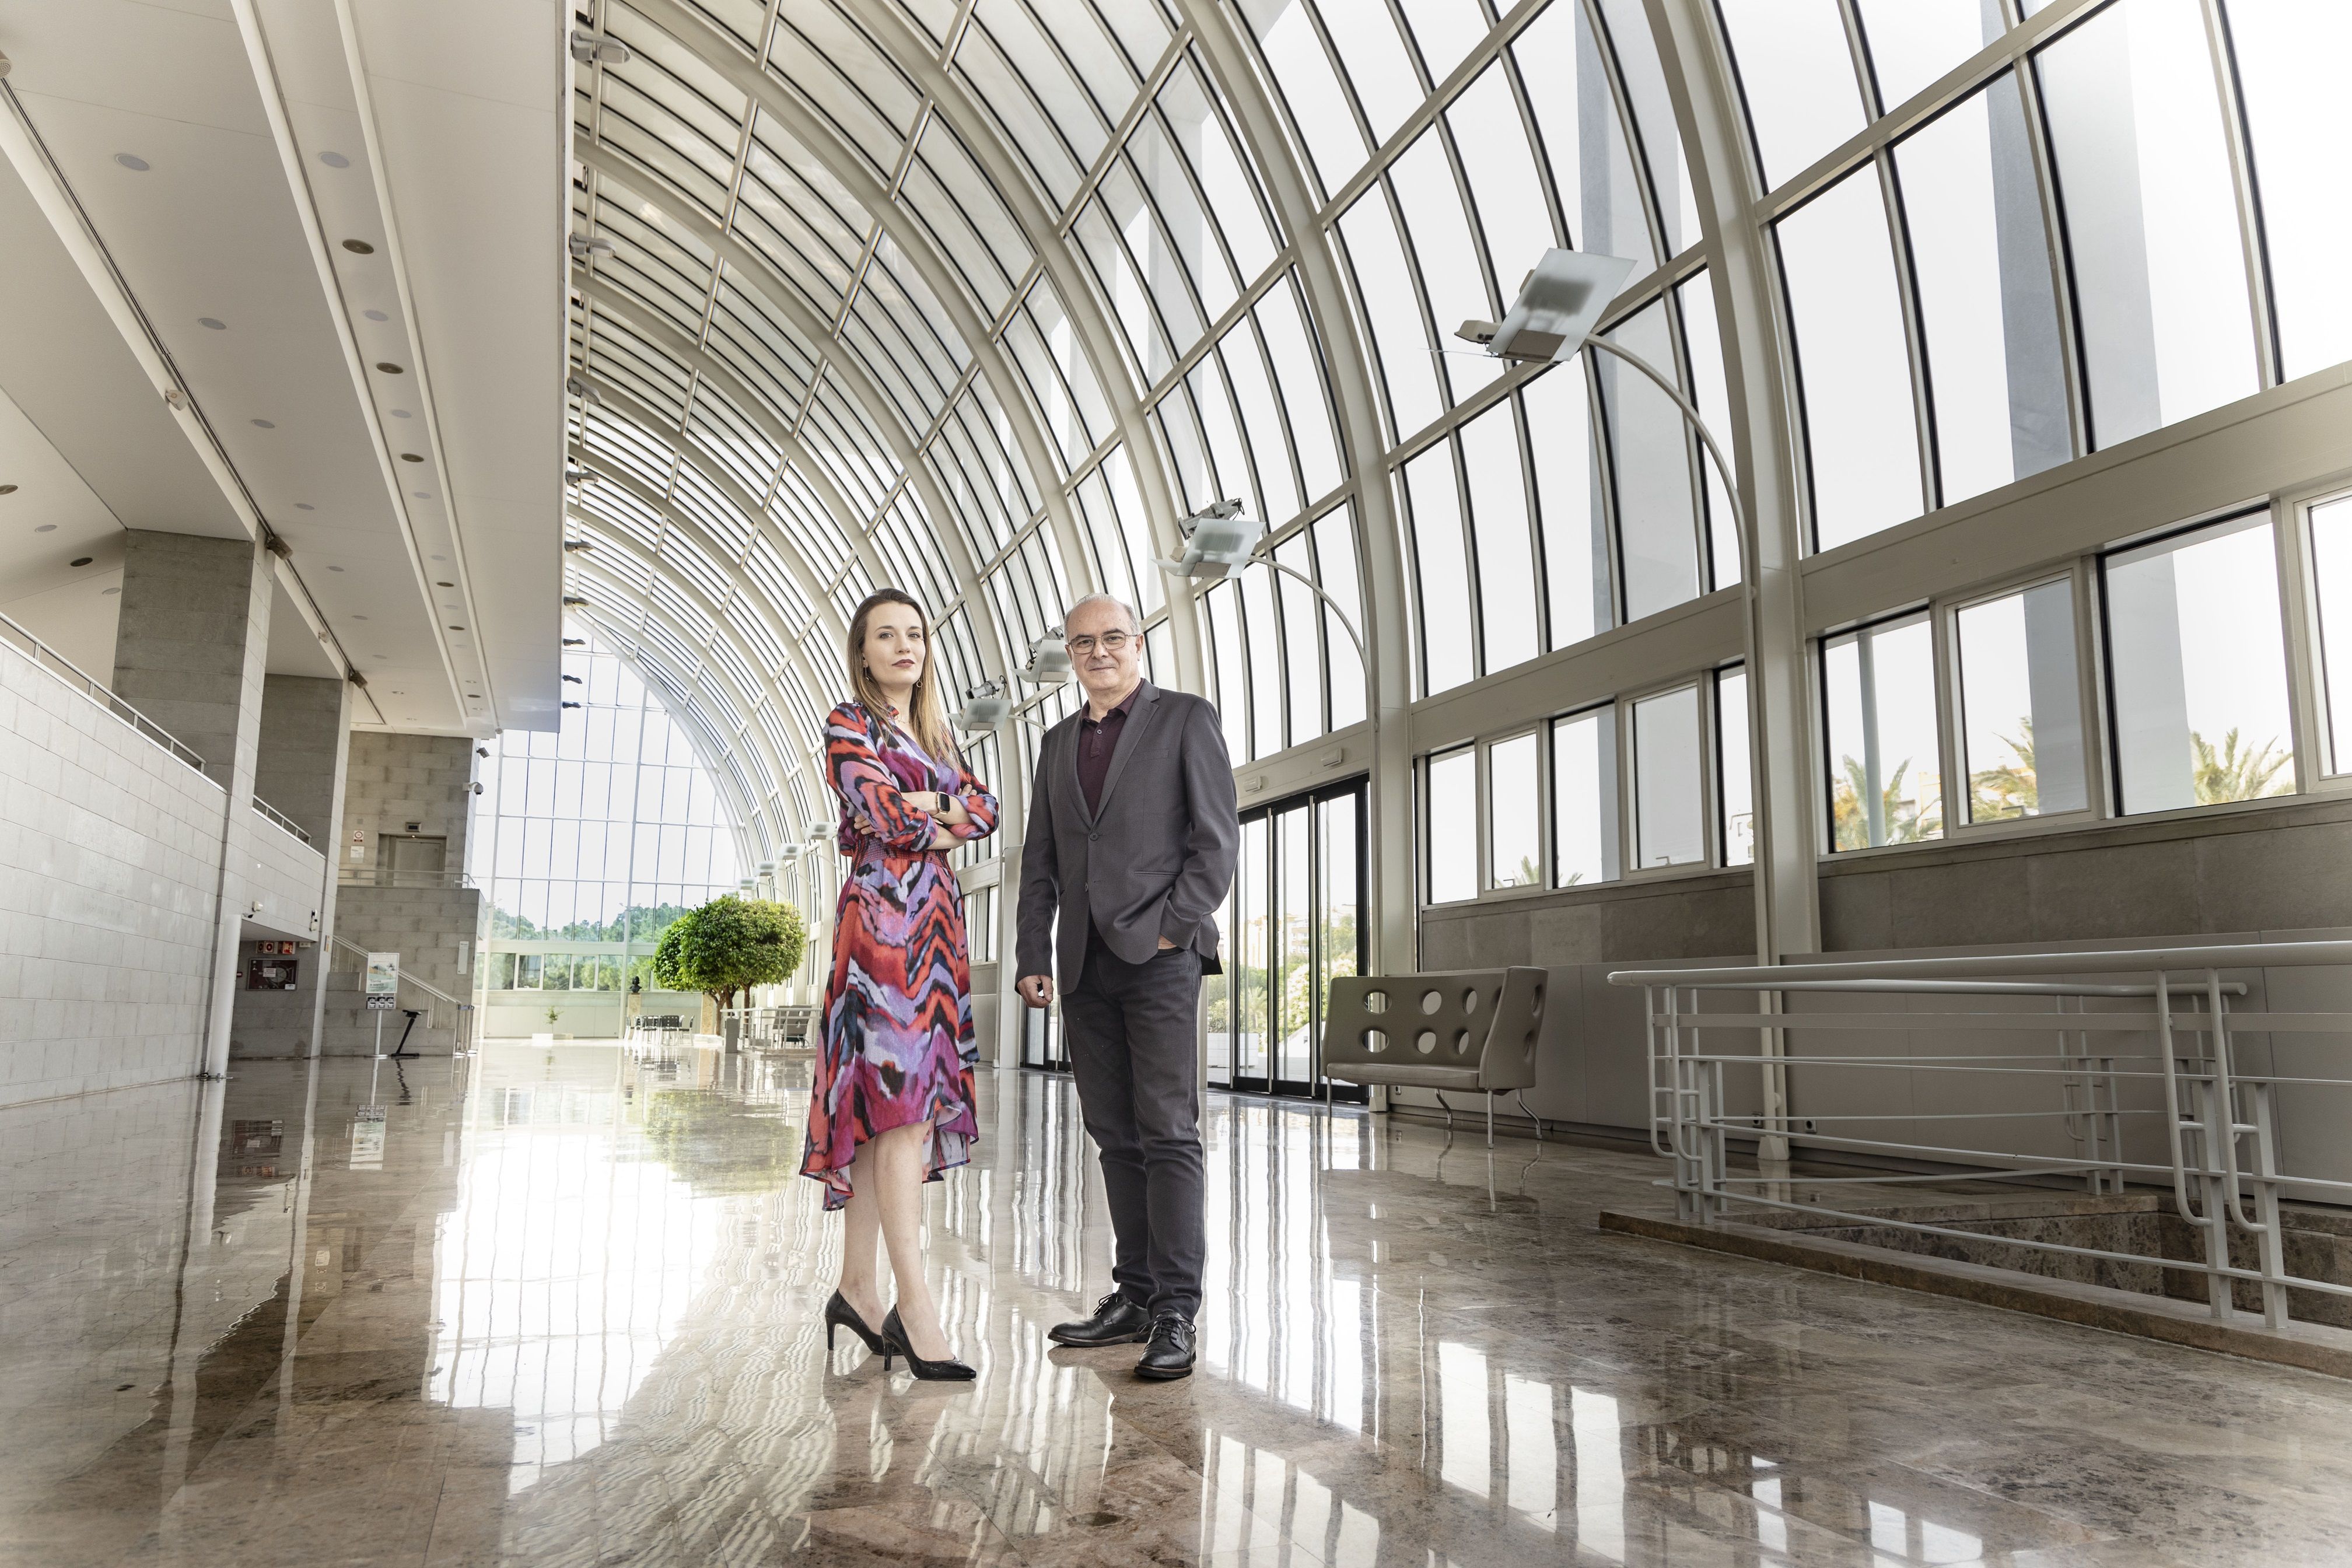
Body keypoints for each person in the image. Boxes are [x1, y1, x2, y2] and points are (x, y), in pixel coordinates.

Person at [1015, 594, 1238, 1380]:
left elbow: (1215, 844)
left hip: (1160, 959)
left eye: (1112, 638)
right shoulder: (1054, 745)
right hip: (1081, 965)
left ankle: (1177, 1308)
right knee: (1115, 1135)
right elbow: (1039, 860)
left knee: (1169, 1132)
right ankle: (1135, 1294)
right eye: (1083, 642)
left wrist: (1172, 929)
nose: (1099, 651)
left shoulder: (1185, 718)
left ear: (1137, 644)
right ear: (1070, 656)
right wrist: (1030, 954)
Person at [801, 588, 999, 1381]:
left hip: (937, 937)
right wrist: (935, 811)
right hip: (881, 932)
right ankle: (914, 1307)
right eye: (888, 635)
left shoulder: (936, 733)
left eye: (915, 634)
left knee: (893, 1118)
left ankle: (856, 1286)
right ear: (865, 651)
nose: (905, 646)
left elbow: (986, 812)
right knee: (903, 1115)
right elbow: (882, 817)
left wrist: (939, 802)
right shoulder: (848, 723)